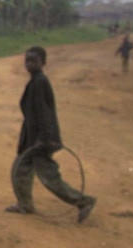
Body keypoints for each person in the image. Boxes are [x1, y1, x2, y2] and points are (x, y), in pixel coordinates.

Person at [5, 46, 97, 223]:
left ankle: (83, 202)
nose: (29, 64)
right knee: (21, 168)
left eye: (34, 61)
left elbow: (45, 114)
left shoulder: (40, 82)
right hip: (31, 138)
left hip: (41, 140)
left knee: (49, 178)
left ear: (43, 63)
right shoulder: (34, 82)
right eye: (27, 61)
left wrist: (44, 139)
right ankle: (25, 204)